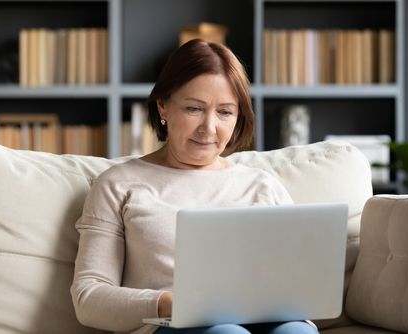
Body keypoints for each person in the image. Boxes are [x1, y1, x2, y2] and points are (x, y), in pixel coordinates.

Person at [71, 39, 319, 334]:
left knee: (297, 331)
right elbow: (88, 297)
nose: (209, 128)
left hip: (260, 321)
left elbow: (296, 284)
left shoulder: (262, 186)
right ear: (163, 105)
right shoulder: (118, 184)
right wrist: (168, 303)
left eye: (225, 112)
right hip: (172, 325)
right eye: (194, 108)